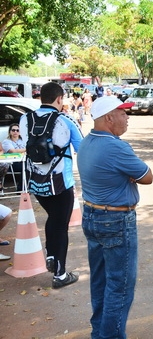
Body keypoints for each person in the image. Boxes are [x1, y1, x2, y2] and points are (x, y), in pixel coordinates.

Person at [78, 96, 153, 339]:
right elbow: (147, 176)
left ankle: (100, 332)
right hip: (115, 220)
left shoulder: (88, 141)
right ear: (109, 118)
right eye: (123, 113)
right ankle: (109, 335)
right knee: (120, 286)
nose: (127, 117)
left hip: (92, 216)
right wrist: (129, 174)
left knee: (100, 281)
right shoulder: (115, 147)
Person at [19, 82, 83, 288]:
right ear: (59, 99)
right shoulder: (65, 120)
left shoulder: (24, 119)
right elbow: (82, 148)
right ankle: (60, 275)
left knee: (53, 217)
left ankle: (51, 255)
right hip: (61, 183)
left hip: (36, 181)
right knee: (61, 224)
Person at [2, 123, 27, 192]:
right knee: (25, 166)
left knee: (30, 165)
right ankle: (21, 189)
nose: (15, 132)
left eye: (17, 130)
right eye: (13, 130)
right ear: (10, 132)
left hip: (23, 161)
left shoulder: (23, 141)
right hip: (12, 163)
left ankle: (26, 187)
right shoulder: (6, 142)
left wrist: (25, 150)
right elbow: (12, 151)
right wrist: (26, 149)